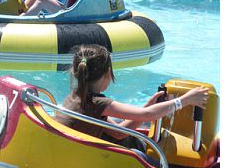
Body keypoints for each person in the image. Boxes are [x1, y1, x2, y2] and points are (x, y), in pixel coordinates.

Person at [55, 44, 209, 148]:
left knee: (124, 130)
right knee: (139, 152)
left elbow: (118, 133)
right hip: (80, 156)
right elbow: (148, 115)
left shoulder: (76, 96)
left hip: (68, 149)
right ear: (108, 73)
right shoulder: (98, 103)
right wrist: (186, 99)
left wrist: (146, 107)